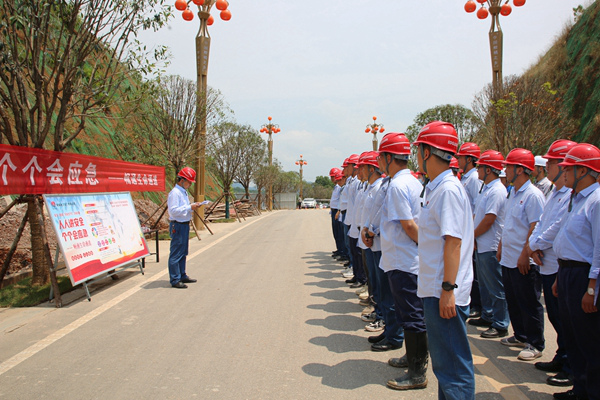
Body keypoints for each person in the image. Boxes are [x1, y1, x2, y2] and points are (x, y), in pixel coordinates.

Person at [413, 121, 475, 399]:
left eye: (419, 150)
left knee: (453, 369)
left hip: (443, 292)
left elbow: (454, 241)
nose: (417, 156)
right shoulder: (438, 187)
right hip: (435, 288)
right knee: (445, 367)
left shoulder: (447, 189)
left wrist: (448, 290)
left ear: (427, 152)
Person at [373, 132, 427, 390]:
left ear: (387, 157)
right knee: (409, 314)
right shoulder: (414, 182)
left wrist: (426, 248)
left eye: (381, 158)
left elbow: (408, 224)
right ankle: (412, 357)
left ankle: (417, 372)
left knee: (412, 315)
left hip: (404, 261)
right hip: (407, 259)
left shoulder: (396, 185)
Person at [552, 143, 600, 400]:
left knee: (590, 341)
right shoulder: (575, 199)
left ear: (583, 170)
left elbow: (598, 250)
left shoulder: (596, 200)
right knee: (573, 338)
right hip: (568, 273)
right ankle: (580, 390)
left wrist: (592, 288)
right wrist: (561, 277)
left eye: (569, 168)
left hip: (584, 276)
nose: (564, 172)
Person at [527, 140, 577, 388]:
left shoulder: (570, 194)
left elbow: (557, 227)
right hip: (545, 261)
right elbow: (542, 222)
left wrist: (535, 245)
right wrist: (534, 245)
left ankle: (570, 365)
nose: (547, 166)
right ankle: (562, 356)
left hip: (558, 263)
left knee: (567, 321)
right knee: (558, 318)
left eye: (552, 162)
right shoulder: (555, 193)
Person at [498, 149, 546, 361]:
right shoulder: (512, 192)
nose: (505, 170)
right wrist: (501, 246)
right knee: (513, 299)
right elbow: (507, 223)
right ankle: (520, 335)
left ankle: (535, 343)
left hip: (522, 260)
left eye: (508, 166)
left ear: (519, 170)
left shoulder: (533, 195)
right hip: (508, 257)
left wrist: (524, 254)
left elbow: (535, 227)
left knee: (528, 301)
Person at [469, 150, 509, 338]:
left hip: (490, 244)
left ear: (489, 169)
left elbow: (489, 219)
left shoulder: (497, 190)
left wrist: (473, 236)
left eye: (481, 167)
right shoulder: (486, 188)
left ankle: (500, 323)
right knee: (484, 284)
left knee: (495, 286)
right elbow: (478, 215)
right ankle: (488, 315)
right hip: (481, 243)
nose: (478, 171)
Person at [456, 142, 483, 319]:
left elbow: (476, 208)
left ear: (470, 159)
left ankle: (477, 305)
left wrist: (471, 234)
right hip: (466, 232)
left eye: (461, 157)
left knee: (474, 272)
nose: (458, 160)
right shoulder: (465, 178)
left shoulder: (474, 179)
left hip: (470, 233)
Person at [167, 167, 200, 289]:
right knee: (176, 253)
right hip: (178, 225)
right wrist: (189, 207)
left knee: (183, 252)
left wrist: (191, 206)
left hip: (184, 225)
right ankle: (175, 279)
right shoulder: (175, 193)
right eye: (189, 182)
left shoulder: (183, 192)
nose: (190, 184)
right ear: (182, 180)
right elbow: (173, 211)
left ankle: (182, 274)